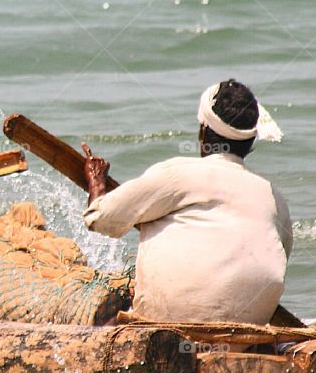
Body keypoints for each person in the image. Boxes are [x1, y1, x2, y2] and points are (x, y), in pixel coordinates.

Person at [81, 79, 291, 324]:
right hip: (246, 328)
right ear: (250, 141)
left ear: (203, 131)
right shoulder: (275, 198)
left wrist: (96, 183)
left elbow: (102, 219)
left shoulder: (177, 174)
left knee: (104, 320)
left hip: (169, 324)